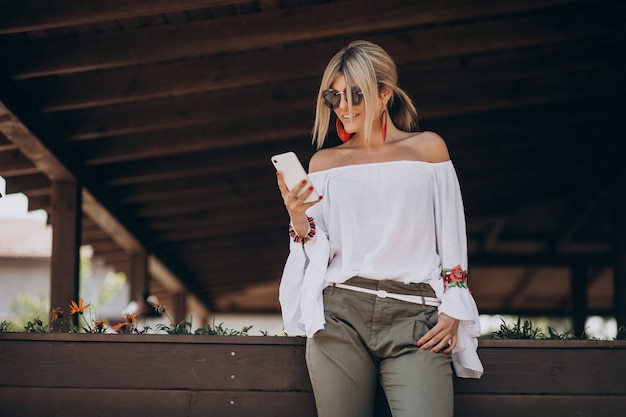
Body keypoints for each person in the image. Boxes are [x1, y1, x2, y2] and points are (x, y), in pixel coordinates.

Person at [275, 40, 483, 417]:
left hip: (416, 318)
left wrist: (454, 308)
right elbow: (316, 247)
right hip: (339, 316)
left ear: (384, 93)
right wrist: (297, 215)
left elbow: (452, 233)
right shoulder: (324, 162)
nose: (345, 106)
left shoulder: (429, 149)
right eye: (334, 96)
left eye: (355, 93)